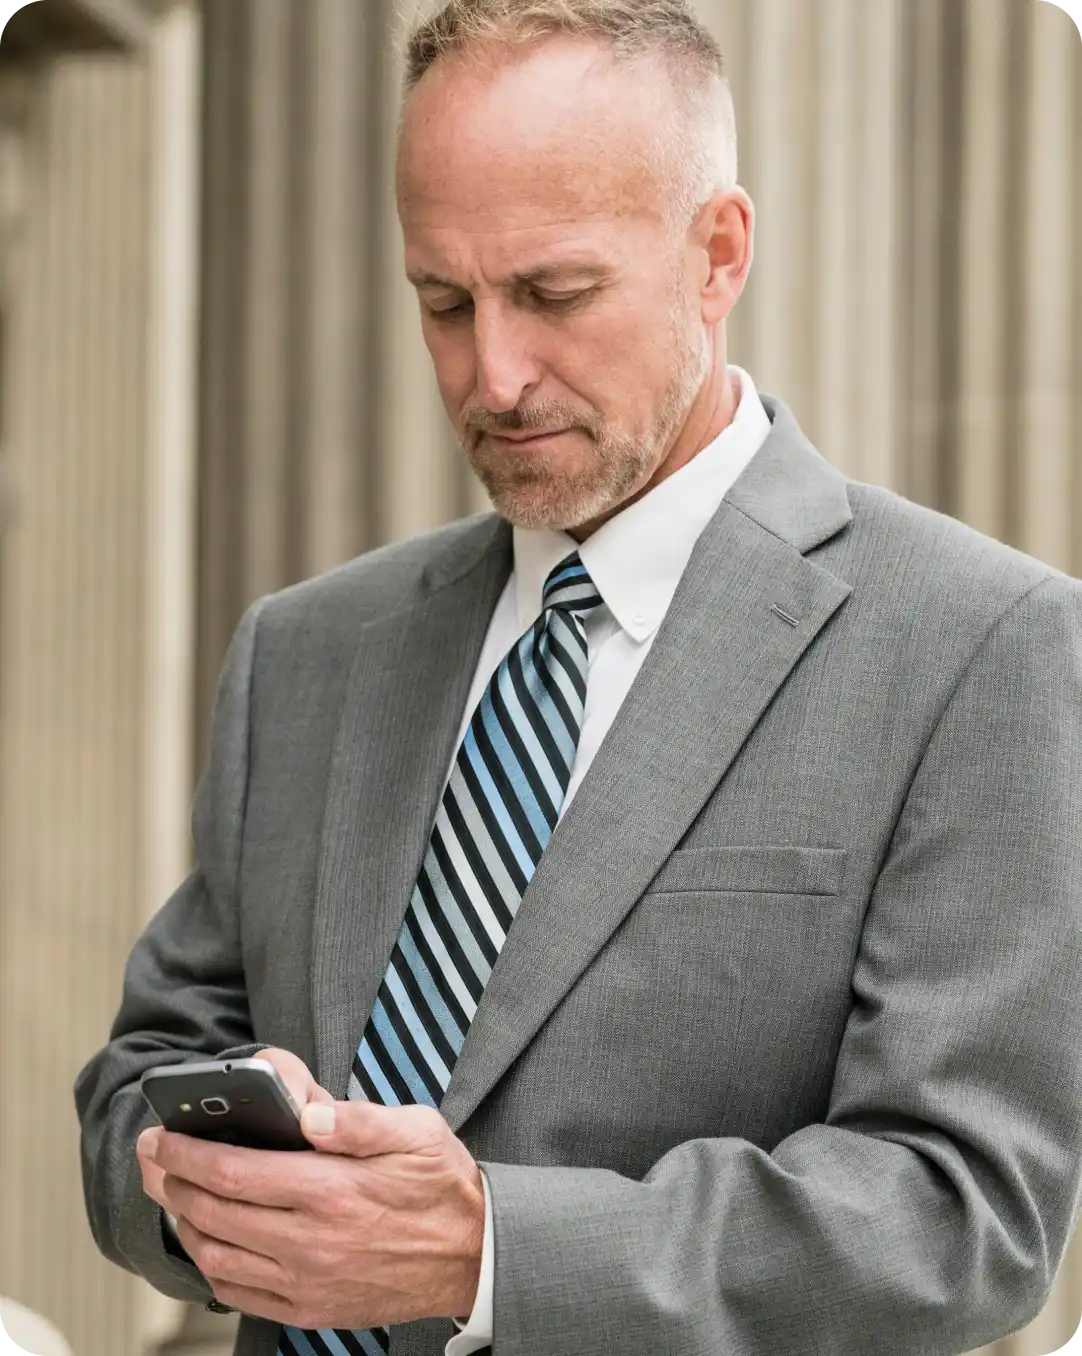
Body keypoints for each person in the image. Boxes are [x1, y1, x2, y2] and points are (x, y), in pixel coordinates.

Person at [76, 3, 1082, 1355]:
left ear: (716, 252)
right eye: (442, 301)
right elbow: (138, 1082)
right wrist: (203, 1183)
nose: (492, 374)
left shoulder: (978, 643)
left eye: (553, 294)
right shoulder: (306, 651)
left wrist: (488, 1251)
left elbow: (963, 1217)